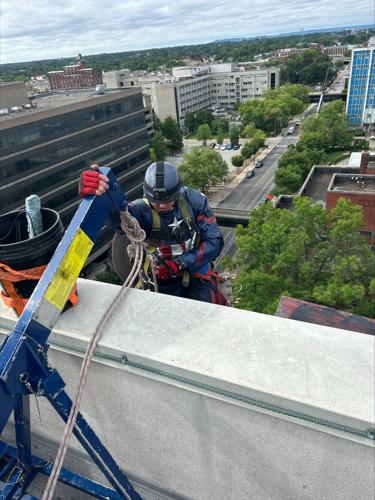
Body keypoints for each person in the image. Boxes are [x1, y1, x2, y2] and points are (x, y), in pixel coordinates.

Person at [79, 161, 226, 304]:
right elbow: (120, 219)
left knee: (205, 306)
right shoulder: (141, 210)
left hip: (196, 272)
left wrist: (180, 263)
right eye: (155, 201)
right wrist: (97, 196)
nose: (162, 205)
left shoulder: (194, 202)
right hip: (161, 280)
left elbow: (215, 242)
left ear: (178, 192)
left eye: (168, 200)